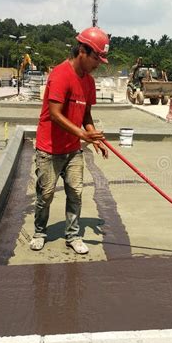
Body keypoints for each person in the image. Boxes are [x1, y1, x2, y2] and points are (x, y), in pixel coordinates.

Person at [30, 26, 110, 254]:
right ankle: (39, 232)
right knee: (45, 194)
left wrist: (94, 139)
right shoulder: (60, 75)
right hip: (50, 148)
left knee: (75, 192)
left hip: (73, 148)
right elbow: (55, 114)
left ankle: (73, 235)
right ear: (83, 51)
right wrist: (84, 135)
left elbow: (86, 116)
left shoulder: (89, 82)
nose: (98, 64)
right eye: (96, 58)